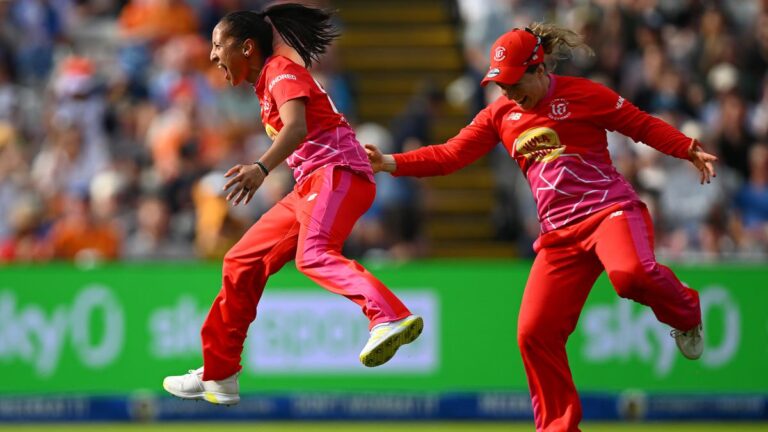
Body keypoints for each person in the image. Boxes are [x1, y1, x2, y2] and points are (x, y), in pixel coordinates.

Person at [366, 24, 716, 432]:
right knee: (534, 333)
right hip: (559, 238)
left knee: (629, 275)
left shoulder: (585, 94)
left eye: (514, 82)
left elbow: (639, 124)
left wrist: (686, 147)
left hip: (610, 212)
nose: (509, 93)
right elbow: (450, 154)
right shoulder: (500, 114)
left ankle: (686, 311)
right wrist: (390, 162)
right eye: (501, 84)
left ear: (539, 68)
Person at [162, 4, 423, 406]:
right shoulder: (267, 82)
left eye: (218, 45)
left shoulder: (280, 72)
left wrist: (261, 168)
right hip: (311, 184)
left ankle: (388, 315)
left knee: (314, 255)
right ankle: (221, 372)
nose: (212, 55)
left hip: (338, 173)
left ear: (247, 47)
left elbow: (298, 128)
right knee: (240, 261)